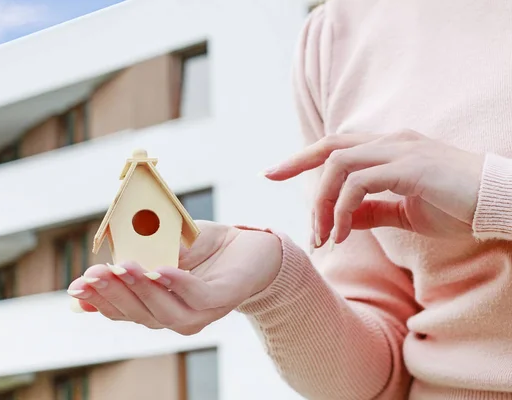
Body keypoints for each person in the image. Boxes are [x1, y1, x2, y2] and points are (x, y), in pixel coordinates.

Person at [67, 1, 512, 398]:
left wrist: (490, 190)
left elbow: (486, 189)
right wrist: (278, 283)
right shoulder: (337, 31)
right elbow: (379, 381)